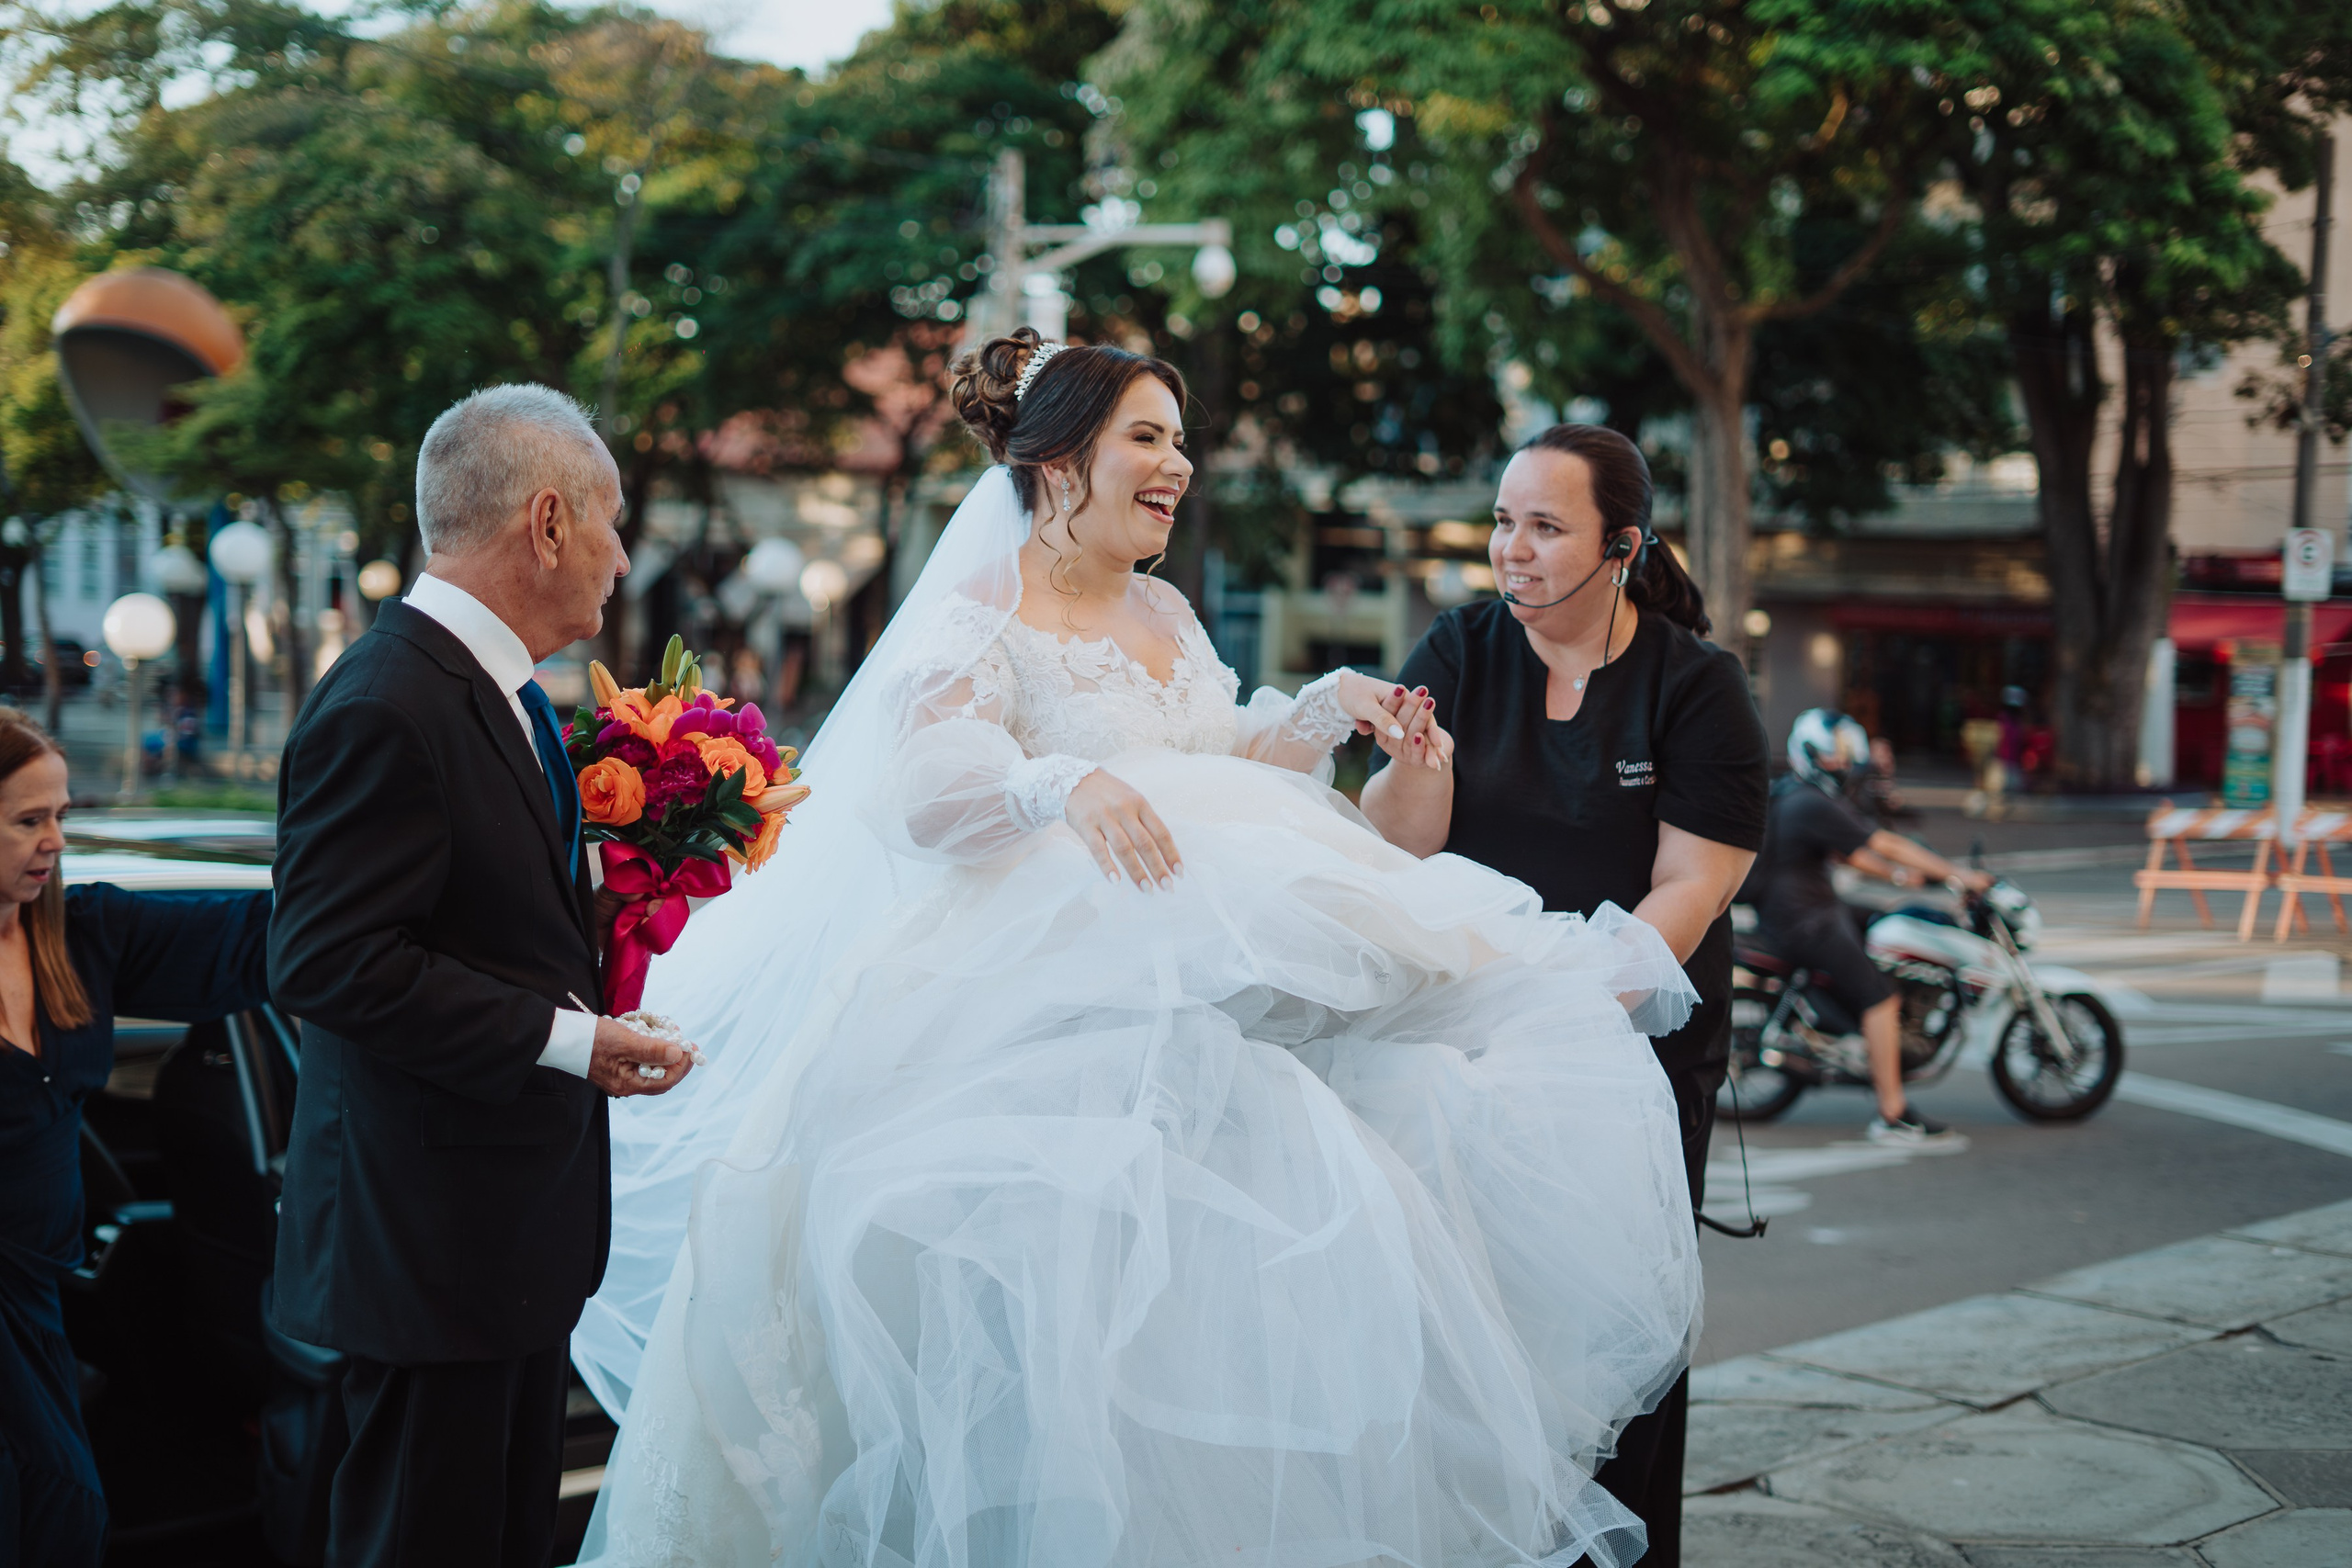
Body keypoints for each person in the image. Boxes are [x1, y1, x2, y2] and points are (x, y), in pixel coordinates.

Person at [571, 330, 1703, 1568]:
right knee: (1054, 1343)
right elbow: (929, 793)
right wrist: (1060, 782)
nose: (1180, 465)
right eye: (1148, 439)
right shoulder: (977, 614)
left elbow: (1208, 759)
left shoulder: (1162, 606)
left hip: (1202, 1009)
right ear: (1058, 462)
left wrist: (1330, 707)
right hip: (1031, 1018)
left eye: (1181, 440)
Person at [268, 385, 701, 1568]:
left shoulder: (501, 693)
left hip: (502, 1248)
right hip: (426, 1259)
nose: (623, 556)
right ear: (548, 523)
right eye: (613, 522)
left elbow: (480, 926)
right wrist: (571, 1043)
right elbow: (327, 960)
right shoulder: (388, 702)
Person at [1358, 422, 1769, 1568]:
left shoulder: (1697, 689)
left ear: (1621, 547)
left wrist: (1570, 1013)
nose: (1513, 550)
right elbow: (1400, 847)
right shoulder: (1459, 648)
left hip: (1628, 1051)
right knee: (1464, 1328)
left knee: (1610, 1336)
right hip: (1461, 1047)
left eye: (1546, 527)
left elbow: (1695, 882)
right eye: (1502, 522)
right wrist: (1412, 768)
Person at [0, 708, 272, 1568]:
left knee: (62, 1515)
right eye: (28, 819)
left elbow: (257, 941)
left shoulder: (84, 935)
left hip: (39, 1303)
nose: (53, 841)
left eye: (62, 817)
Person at [1748, 709, 1990, 1147]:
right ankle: (1893, 1114)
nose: (1841, 767)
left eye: (1846, 759)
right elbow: (1884, 843)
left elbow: (1854, 853)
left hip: (1805, 908)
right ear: (1810, 756)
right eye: (1832, 759)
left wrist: (1904, 878)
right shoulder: (1811, 801)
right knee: (1880, 997)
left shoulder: (1795, 794)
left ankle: (1852, 1027)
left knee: (1888, 920)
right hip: (1805, 919)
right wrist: (1958, 874)